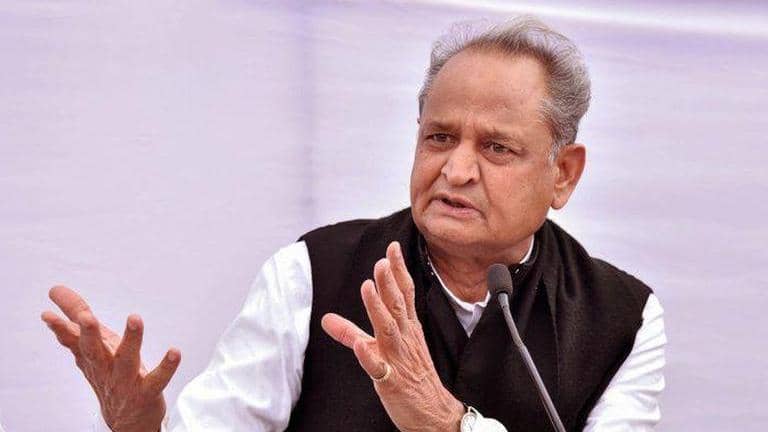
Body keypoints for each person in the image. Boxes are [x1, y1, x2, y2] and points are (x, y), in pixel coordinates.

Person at [41, 16, 666, 432]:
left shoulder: (623, 317)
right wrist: (139, 430)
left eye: (496, 148)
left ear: (563, 174)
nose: (455, 171)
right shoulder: (313, 272)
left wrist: (448, 424)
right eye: (439, 137)